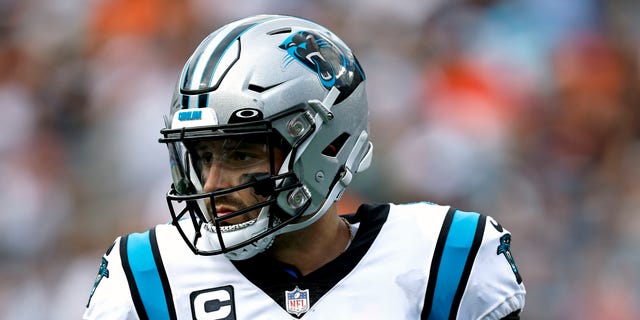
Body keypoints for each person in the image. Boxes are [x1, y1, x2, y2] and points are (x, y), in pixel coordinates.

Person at [83, 14, 525, 319]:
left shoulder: (445, 260)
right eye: (203, 157)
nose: (213, 183)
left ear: (324, 145)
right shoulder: (148, 279)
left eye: (241, 155)